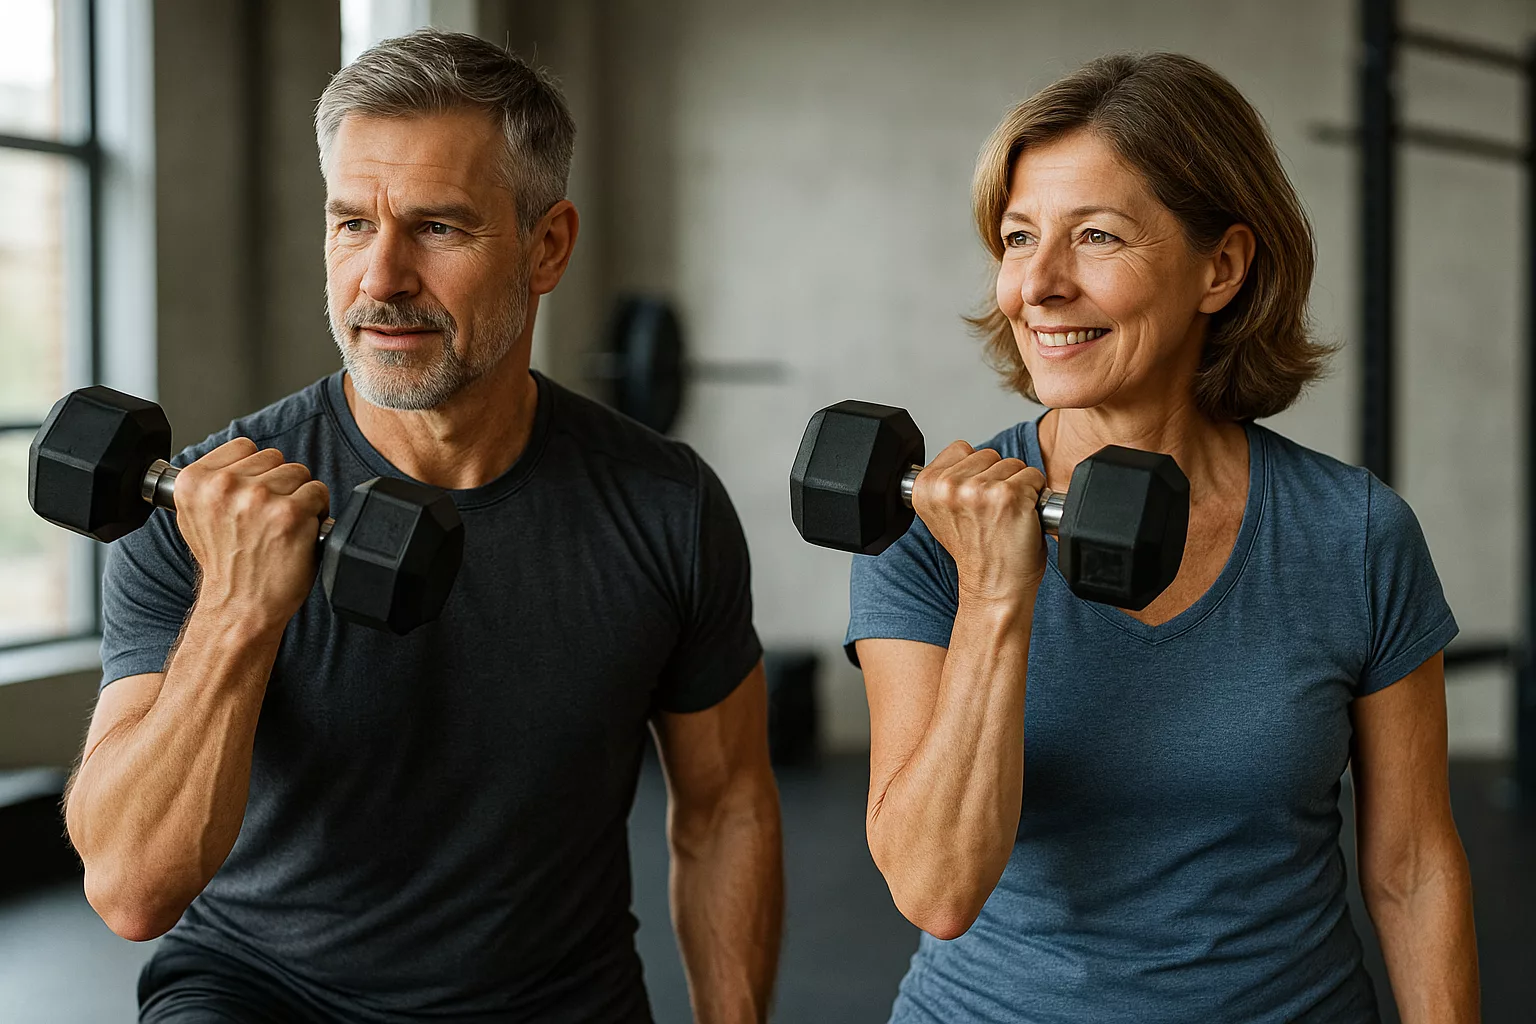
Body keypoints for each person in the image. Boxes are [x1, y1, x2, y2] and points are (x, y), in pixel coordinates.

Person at [64, 30, 782, 1024]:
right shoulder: (202, 507)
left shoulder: (664, 506)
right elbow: (130, 893)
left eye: (437, 227)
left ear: (547, 246)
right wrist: (236, 608)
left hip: (551, 1002)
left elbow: (725, 807)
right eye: (352, 224)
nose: (382, 277)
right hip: (264, 995)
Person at [846, 52, 1478, 1024]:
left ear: (1220, 268)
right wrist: (997, 594)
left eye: (1095, 236)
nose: (1037, 286)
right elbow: (937, 891)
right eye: (1018, 238)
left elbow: (1413, 868)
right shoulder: (931, 525)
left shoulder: (1352, 533)